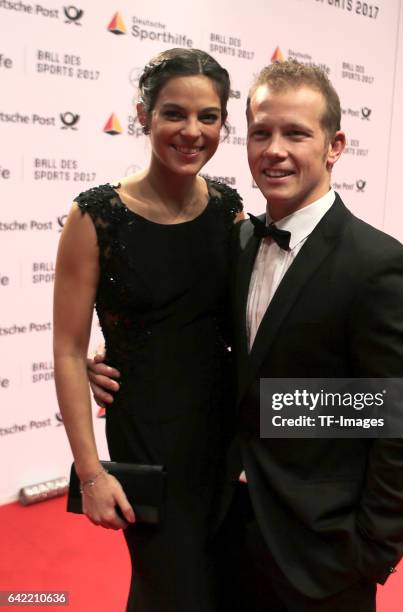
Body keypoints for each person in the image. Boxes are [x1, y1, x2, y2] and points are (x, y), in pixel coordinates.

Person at [90, 61, 403, 611]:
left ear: (335, 145)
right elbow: (196, 336)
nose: (275, 149)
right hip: (223, 527)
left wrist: (371, 551)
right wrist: (121, 351)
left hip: (322, 554)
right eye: (261, 132)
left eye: (296, 132)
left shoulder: (382, 269)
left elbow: (401, 421)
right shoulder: (238, 242)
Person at [53, 48, 242, 612]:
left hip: (221, 435)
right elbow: (66, 350)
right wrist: (89, 474)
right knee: (174, 584)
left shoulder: (228, 210)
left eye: (208, 117)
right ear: (143, 116)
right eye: (174, 114)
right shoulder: (96, 217)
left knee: (209, 585)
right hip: (147, 438)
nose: (192, 131)